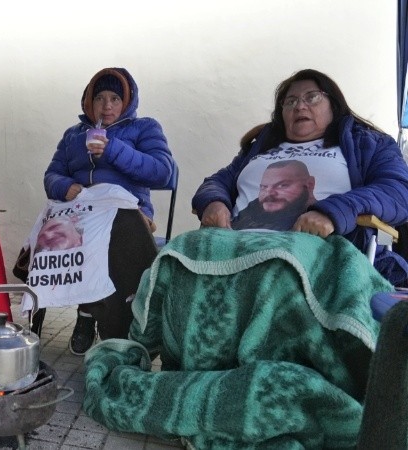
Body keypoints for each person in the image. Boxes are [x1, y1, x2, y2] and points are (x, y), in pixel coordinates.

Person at [193, 68, 408, 284]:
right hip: (236, 246)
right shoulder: (262, 146)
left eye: (312, 97)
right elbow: (217, 182)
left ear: (333, 104)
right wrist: (214, 202)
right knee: (176, 255)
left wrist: (334, 212)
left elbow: (398, 191)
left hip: (316, 252)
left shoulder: (368, 143)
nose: (300, 106)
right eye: (290, 101)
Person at [41, 67, 175, 355]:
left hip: (128, 212)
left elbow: (162, 172)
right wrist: (65, 187)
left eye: (115, 97)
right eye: (100, 97)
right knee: (63, 233)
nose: (107, 105)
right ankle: (90, 312)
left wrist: (112, 150)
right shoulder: (72, 136)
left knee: (116, 231)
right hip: (82, 213)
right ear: (89, 101)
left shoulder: (145, 128)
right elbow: (51, 175)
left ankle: (101, 318)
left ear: (127, 101)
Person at [232, 160, 317, 230]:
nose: (269, 193)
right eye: (264, 187)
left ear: (310, 184)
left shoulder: (323, 216)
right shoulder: (253, 208)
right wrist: (220, 202)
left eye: (282, 185)